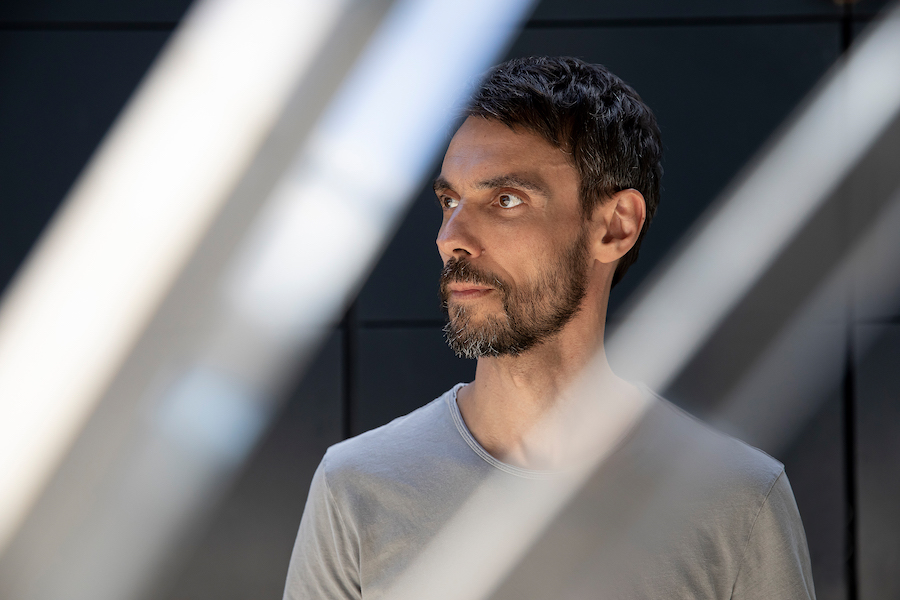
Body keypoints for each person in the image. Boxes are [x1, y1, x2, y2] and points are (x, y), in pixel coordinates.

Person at [282, 56, 816, 599]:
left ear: (615, 227)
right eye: (449, 201)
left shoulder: (738, 499)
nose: (450, 237)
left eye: (505, 200)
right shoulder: (355, 487)